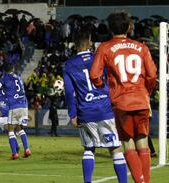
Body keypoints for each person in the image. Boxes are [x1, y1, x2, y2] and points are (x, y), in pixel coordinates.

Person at [90, 12, 157, 183]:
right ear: (129, 27)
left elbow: (94, 75)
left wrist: (105, 88)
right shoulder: (142, 48)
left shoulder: (104, 48)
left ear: (111, 29)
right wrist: (145, 93)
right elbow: (152, 75)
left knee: (127, 142)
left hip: (121, 102)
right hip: (140, 100)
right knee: (142, 140)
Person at [63, 29, 127, 183]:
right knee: (115, 148)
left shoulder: (68, 65)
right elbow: (113, 80)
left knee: (89, 148)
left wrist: (72, 114)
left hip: (86, 111)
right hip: (106, 109)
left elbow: (69, 92)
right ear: (90, 41)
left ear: (74, 44)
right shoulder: (100, 58)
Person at [0, 64, 31, 160]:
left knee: (11, 129)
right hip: (24, 105)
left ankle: (14, 154)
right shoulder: (18, 77)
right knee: (20, 128)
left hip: (14, 105)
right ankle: (27, 149)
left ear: (4, 70)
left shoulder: (4, 78)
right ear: (13, 69)